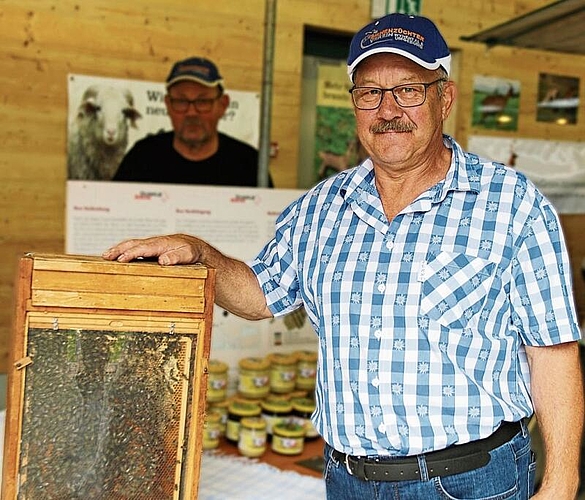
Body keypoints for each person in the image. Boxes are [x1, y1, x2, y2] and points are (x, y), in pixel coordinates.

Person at [103, 13, 583, 500]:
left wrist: (562, 481)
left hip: (471, 481)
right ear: (355, 105)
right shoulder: (321, 208)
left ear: (445, 98)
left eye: (409, 89)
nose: (388, 109)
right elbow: (258, 293)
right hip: (349, 481)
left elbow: (553, 350)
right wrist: (199, 253)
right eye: (370, 92)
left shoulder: (512, 205)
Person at [113, 56, 269, 186]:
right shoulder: (141, 158)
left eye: (203, 102)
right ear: (167, 105)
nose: (192, 112)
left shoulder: (249, 163)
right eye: (181, 101)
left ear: (223, 105)